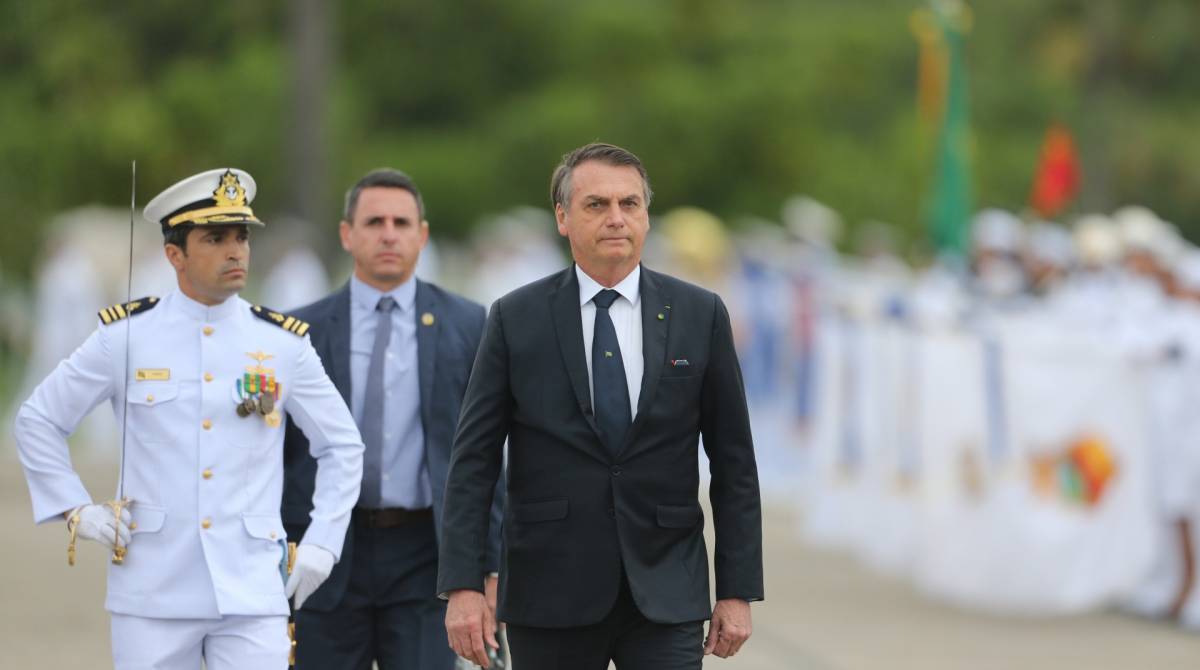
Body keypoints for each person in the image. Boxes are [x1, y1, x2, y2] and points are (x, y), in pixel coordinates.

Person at [13, 168, 365, 670]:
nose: (235, 251)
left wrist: (323, 543)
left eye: (241, 236)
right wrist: (75, 508)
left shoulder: (281, 344)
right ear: (174, 254)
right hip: (152, 590)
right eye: (215, 239)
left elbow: (342, 445)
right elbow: (39, 419)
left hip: (250, 589)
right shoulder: (127, 337)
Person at [439, 143, 764, 669]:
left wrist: (737, 589)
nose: (616, 218)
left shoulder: (699, 314)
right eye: (596, 205)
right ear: (562, 217)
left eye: (629, 204)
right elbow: (473, 461)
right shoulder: (515, 318)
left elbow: (735, 463)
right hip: (549, 591)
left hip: (666, 589)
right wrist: (463, 585)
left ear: (646, 216)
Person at [281, 168, 503, 669]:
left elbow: (487, 455)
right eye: (374, 222)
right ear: (347, 234)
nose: (388, 234)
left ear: (421, 235)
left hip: (426, 556)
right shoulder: (300, 330)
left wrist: (491, 565)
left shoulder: (468, 324)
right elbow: (278, 452)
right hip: (325, 549)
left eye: (401, 223)